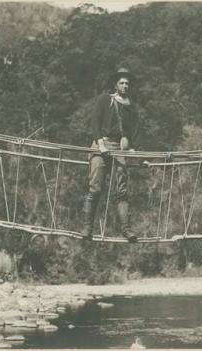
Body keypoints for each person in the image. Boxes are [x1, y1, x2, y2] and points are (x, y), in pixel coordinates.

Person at [81, 68, 139, 242]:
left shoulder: (130, 107)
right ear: (115, 85)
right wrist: (99, 143)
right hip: (101, 144)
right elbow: (95, 122)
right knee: (96, 188)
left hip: (118, 147)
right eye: (122, 82)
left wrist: (131, 147)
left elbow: (133, 131)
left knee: (121, 191)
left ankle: (126, 230)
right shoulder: (104, 100)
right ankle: (87, 228)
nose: (125, 86)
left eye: (127, 83)